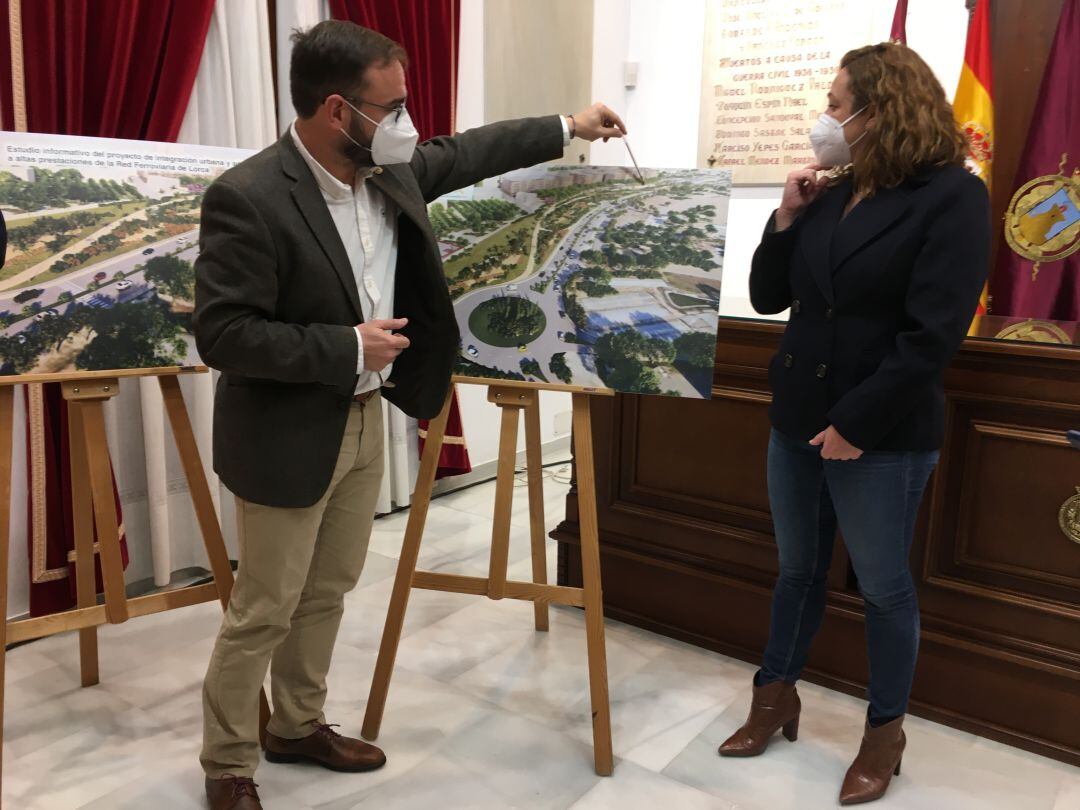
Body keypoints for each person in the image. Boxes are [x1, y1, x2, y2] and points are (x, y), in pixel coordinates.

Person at [193, 20, 626, 810]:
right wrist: (344, 346)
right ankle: (227, 761)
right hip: (285, 434)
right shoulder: (249, 197)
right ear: (335, 111)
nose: (408, 125)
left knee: (328, 589)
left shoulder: (389, 172)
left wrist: (570, 125)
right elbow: (224, 335)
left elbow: (472, 151)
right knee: (263, 608)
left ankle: (297, 724)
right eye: (391, 108)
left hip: (365, 422)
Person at [717, 42, 989, 806]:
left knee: (882, 588)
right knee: (797, 570)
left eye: (837, 105)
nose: (826, 118)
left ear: (880, 110)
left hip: (881, 432)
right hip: (796, 417)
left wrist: (856, 422)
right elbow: (772, 297)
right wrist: (786, 213)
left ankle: (884, 734)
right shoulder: (835, 191)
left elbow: (933, 335)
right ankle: (775, 698)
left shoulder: (952, 198)